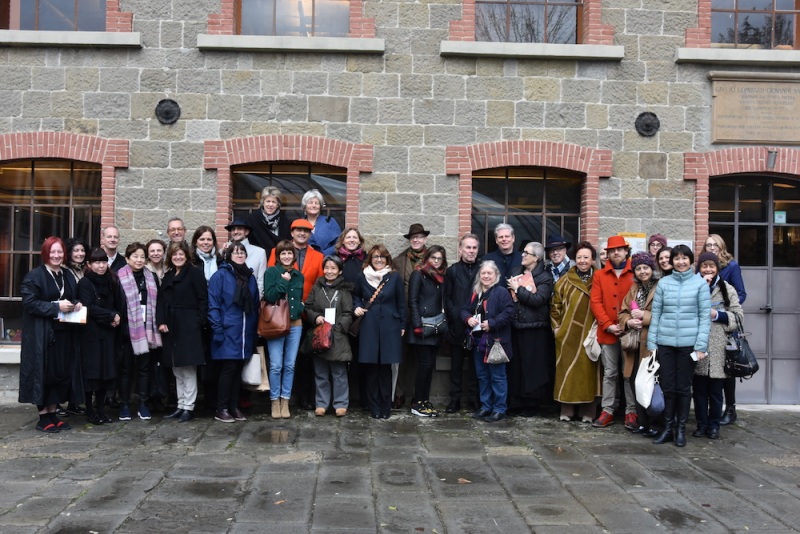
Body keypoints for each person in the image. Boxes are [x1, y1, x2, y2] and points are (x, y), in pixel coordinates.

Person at [647, 244, 711, 447]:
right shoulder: (664, 283)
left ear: (691, 261)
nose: (680, 262)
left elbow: (704, 317)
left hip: (688, 345)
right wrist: (652, 342)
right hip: (665, 343)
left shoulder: (699, 284)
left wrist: (701, 346)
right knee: (667, 387)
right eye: (677, 258)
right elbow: (656, 315)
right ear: (671, 261)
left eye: (684, 258)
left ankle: (681, 429)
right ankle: (668, 428)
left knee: (683, 388)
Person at [19, 237, 83, 433]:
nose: (56, 255)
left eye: (59, 252)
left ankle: (53, 413)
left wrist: (76, 303)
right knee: (44, 374)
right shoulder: (34, 276)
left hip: (64, 333)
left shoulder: (67, 274)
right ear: (45, 253)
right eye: (52, 252)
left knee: (60, 374)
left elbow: (72, 296)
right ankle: (43, 417)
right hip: (42, 335)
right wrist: (56, 307)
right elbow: (30, 303)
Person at [268, 218, 325, 410]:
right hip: (279, 313)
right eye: (298, 230)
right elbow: (271, 278)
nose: (302, 233)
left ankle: (303, 397)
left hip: (305, 313)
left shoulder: (318, 256)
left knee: (302, 358)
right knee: (278, 361)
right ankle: (281, 398)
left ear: (310, 234)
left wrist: (310, 309)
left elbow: (319, 284)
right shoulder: (277, 252)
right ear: (292, 233)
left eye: (306, 231)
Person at [693, 251, 743, 440]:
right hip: (697, 346)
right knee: (699, 391)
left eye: (711, 266)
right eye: (704, 266)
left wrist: (718, 315)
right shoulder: (693, 287)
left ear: (717, 268)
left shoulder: (727, 289)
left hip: (719, 347)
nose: (708, 270)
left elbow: (738, 317)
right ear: (699, 268)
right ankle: (701, 424)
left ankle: (714, 425)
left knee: (715, 392)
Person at [207, 241, 259, 423]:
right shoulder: (220, 276)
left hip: (245, 332)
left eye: (242, 252)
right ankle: (221, 408)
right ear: (228, 255)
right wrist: (217, 328)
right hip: (227, 330)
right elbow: (213, 304)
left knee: (238, 370)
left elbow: (255, 305)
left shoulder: (249, 277)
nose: (239, 254)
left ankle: (233, 406)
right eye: (235, 252)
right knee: (228, 369)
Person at [157, 241, 209, 423]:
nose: (178, 257)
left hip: (188, 325)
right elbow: (161, 300)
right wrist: (161, 321)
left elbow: (203, 299)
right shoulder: (169, 275)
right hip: (171, 325)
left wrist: (198, 321)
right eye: (174, 254)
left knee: (188, 367)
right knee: (176, 367)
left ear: (187, 256)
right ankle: (180, 404)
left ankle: (189, 406)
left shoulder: (195, 273)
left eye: (181, 254)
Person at [353, 244, 406, 419]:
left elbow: (401, 302)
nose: (379, 260)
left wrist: (403, 324)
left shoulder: (394, 277)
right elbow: (356, 296)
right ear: (370, 259)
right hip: (369, 325)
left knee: (386, 368)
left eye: (382, 257)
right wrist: (357, 307)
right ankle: (374, 407)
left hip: (390, 326)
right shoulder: (362, 277)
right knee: (371, 369)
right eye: (375, 256)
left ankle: (386, 407)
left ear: (387, 259)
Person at [551, 241, 600, 423]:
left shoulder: (599, 279)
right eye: (579, 257)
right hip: (568, 335)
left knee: (589, 372)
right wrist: (557, 329)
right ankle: (567, 409)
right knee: (567, 372)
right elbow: (555, 307)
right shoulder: (564, 281)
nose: (582, 260)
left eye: (586, 257)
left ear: (593, 260)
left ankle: (589, 411)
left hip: (591, 333)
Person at [462, 260, 515, 423]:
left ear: (496, 275)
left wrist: (492, 323)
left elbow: (509, 312)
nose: (486, 276)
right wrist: (468, 318)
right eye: (483, 273)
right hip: (479, 342)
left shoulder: (501, 292)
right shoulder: (475, 293)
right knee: (482, 376)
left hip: (496, 342)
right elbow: (463, 309)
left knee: (498, 377)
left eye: (489, 273)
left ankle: (499, 409)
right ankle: (486, 406)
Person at [590, 236, 635, 429]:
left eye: (619, 249)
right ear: (607, 253)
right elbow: (595, 302)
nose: (616, 253)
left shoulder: (635, 271)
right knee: (609, 373)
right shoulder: (600, 275)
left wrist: (627, 323)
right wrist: (607, 324)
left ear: (626, 251)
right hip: (607, 332)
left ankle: (631, 411)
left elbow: (638, 299)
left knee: (628, 373)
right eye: (612, 250)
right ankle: (607, 410)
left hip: (629, 332)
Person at [507, 241, 555, 417]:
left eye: (526, 253)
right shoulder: (516, 272)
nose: (523, 255)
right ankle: (516, 402)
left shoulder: (545, 277)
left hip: (535, 328)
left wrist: (518, 289)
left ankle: (531, 403)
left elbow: (538, 300)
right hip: (516, 325)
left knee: (533, 367)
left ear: (536, 258)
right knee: (517, 367)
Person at [705, 233, 747, 427]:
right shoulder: (703, 267)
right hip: (707, 325)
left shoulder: (731, 266)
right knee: (708, 368)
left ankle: (730, 409)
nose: (712, 247)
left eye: (715, 244)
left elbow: (741, 293)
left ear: (722, 247)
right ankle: (711, 409)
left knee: (727, 367)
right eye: (708, 245)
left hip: (724, 324)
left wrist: (724, 308)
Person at [117, 242, 162, 421]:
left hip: (147, 328)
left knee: (145, 369)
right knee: (126, 369)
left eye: (142, 256)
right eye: (135, 256)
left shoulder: (151, 276)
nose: (139, 260)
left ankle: (143, 403)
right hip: (126, 329)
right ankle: (124, 405)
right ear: (127, 258)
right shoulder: (119, 276)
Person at [77, 247, 123, 425]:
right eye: (97, 262)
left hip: (108, 332)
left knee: (105, 372)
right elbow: (88, 307)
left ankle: (102, 410)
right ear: (89, 264)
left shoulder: (111, 281)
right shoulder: (85, 283)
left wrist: (116, 316)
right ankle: (90, 410)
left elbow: (117, 303)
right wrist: (111, 315)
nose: (101, 266)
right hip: (91, 334)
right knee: (92, 373)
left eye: (104, 262)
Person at [304, 255, 354, 417]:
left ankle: (340, 403)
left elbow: (348, 312)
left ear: (340, 271)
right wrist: (315, 317)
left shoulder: (344, 289)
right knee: (320, 372)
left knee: (339, 373)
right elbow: (308, 307)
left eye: (333, 268)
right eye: (327, 268)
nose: (329, 271)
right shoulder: (317, 287)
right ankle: (321, 403)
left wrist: (338, 328)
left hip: (337, 336)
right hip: (319, 335)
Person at [618, 252, 660, 437]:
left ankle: (656, 424)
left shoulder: (660, 287)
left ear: (652, 268)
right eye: (638, 268)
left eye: (646, 267)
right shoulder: (634, 288)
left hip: (652, 344)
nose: (642, 271)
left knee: (651, 384)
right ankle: (643, 423)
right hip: (634, 346)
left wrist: (645, 316)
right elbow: (622, 311)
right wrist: (628, 321)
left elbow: (667, 314)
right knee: (636, 382)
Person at [264, 240, 305, 419]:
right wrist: (283, 281)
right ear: (278, 256)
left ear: (293, 256)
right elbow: (269, 296)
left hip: (295, 324)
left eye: (289, 253)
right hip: (275, 324)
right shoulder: (271, 272)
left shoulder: (299, 275)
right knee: (276, 365)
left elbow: (299, 298)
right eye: (283, 253)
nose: (287, 256)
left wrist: (301, 308)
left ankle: (285, 401)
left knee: (289, 365)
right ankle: (274, 401)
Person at [391, 223, 431, 410]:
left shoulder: (433, 259)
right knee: (401, 356)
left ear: (425, 239)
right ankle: (399, 394)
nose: (416, 240)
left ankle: (418, 395)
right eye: (413, 237)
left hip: (426, 317)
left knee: (421, 359)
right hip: (404, 316)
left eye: (419, 237)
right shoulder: (398, 261)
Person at [406, 245, 448, 417]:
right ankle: (417, 402)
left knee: (429, 366)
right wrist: (417, 325)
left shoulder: (441, 277)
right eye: (433, 258)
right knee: (424, 365)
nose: (436, 261)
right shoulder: (418, 274)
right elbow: (413, 301)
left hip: (436, 327)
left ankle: (424, 400)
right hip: (422, 327)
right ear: (427, 258)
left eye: (439, 259)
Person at [443, 233, 481, 413]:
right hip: (458, 326)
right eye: (468, 247)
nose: (471, 251)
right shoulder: (452, 271)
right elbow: (447, 298)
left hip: (478, 326)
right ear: (460, 250)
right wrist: (456, 316)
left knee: (476, 366)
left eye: (474, 248)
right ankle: (454, 400)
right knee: (456, 366)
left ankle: (474, 400)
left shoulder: (483, 269)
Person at [335, 227, 368, 408]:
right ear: (343, 240)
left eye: (355, 237)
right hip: (340, 312)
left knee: (360, 355)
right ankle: (340, 400)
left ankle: (363, 398)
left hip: (360, 313)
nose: (352, 240)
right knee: (340, 356)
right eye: (348, 237)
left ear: (360, 240)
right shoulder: (335, 258)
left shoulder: (366, 259)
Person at [61, 236, 88, 415]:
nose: (80, 254)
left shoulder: (84, 270)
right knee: (64, 364)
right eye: (76, 250)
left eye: (82, 250)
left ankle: (74, 402)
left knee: (78, 364)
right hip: (66, 323)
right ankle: (57, 403)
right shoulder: (64, 271)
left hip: (80, 324)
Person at [247, 185, 291, 258]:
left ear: (278, 205)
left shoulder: (285, 220)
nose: (270, 204)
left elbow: (287, 242)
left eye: (274, 202)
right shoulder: (253, 219)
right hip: (257, 258)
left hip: (278, 258)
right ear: (263, 203)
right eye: (268, 201)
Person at [226, 219, 267, 297]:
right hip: (228, 299)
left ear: (247, 232)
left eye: (239, 229)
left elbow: (261, 280)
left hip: (251, 298)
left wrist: (257, 299)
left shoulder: (259, 252)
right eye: (233, 229)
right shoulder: (224, 250)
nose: (235, 231)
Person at [303, 189, 342, 256]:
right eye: (310, 203)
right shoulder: (300, 223)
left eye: (317, 203)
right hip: (305, 260)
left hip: (327, 259)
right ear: (305, 206)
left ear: (320, 206)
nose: (314, 205)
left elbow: (339, 243)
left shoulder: (330, 222)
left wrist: (323, 255)